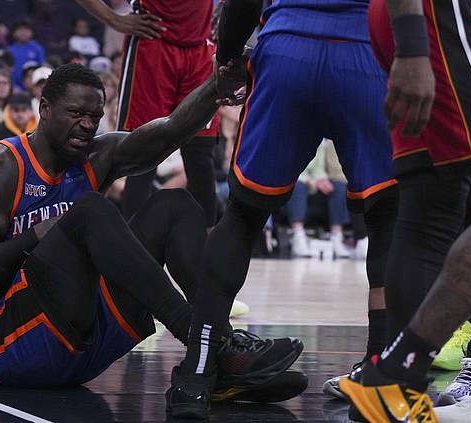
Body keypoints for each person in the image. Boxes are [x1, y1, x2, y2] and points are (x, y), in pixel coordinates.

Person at [0, 63, 303, 397]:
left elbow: (170, 131)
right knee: (91, 210)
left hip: (82, 345)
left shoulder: (97, 157)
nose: (87, 125)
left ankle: (217, 349)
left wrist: (217, 86)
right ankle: (205, 343)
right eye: (76, 114)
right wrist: (35, 235)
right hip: (14, 343)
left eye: (94, 117)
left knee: (174, 206)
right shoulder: (2, 167)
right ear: (44, 109)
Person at [168, 0, 400, 418]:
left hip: (288, 48)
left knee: (242, 216)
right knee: (387, 221)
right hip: (367, 52)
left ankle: (197, 372)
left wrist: (228, 58)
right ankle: (379, 371)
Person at [338, 0, 471, 420]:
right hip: (442, 15)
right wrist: (413, 46)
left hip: (430, 19)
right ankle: (393, 377)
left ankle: (399, 397)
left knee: (430, 210)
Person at [76, 0, 221, 230]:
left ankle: (209, 250)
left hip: (201, 48)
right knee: (142, 155)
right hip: (153, 45)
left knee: (200, 159)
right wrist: (113, 18)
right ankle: (133, 250)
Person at [7, 20, 45, 91]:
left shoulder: (37, 49)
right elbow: (7, 71)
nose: (23, 32)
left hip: (34, 86)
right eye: (20, 30)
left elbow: (41, 68)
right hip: (14, 88)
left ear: (32, 32)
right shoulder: (9, 50)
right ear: (14, 33)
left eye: (26, 29)